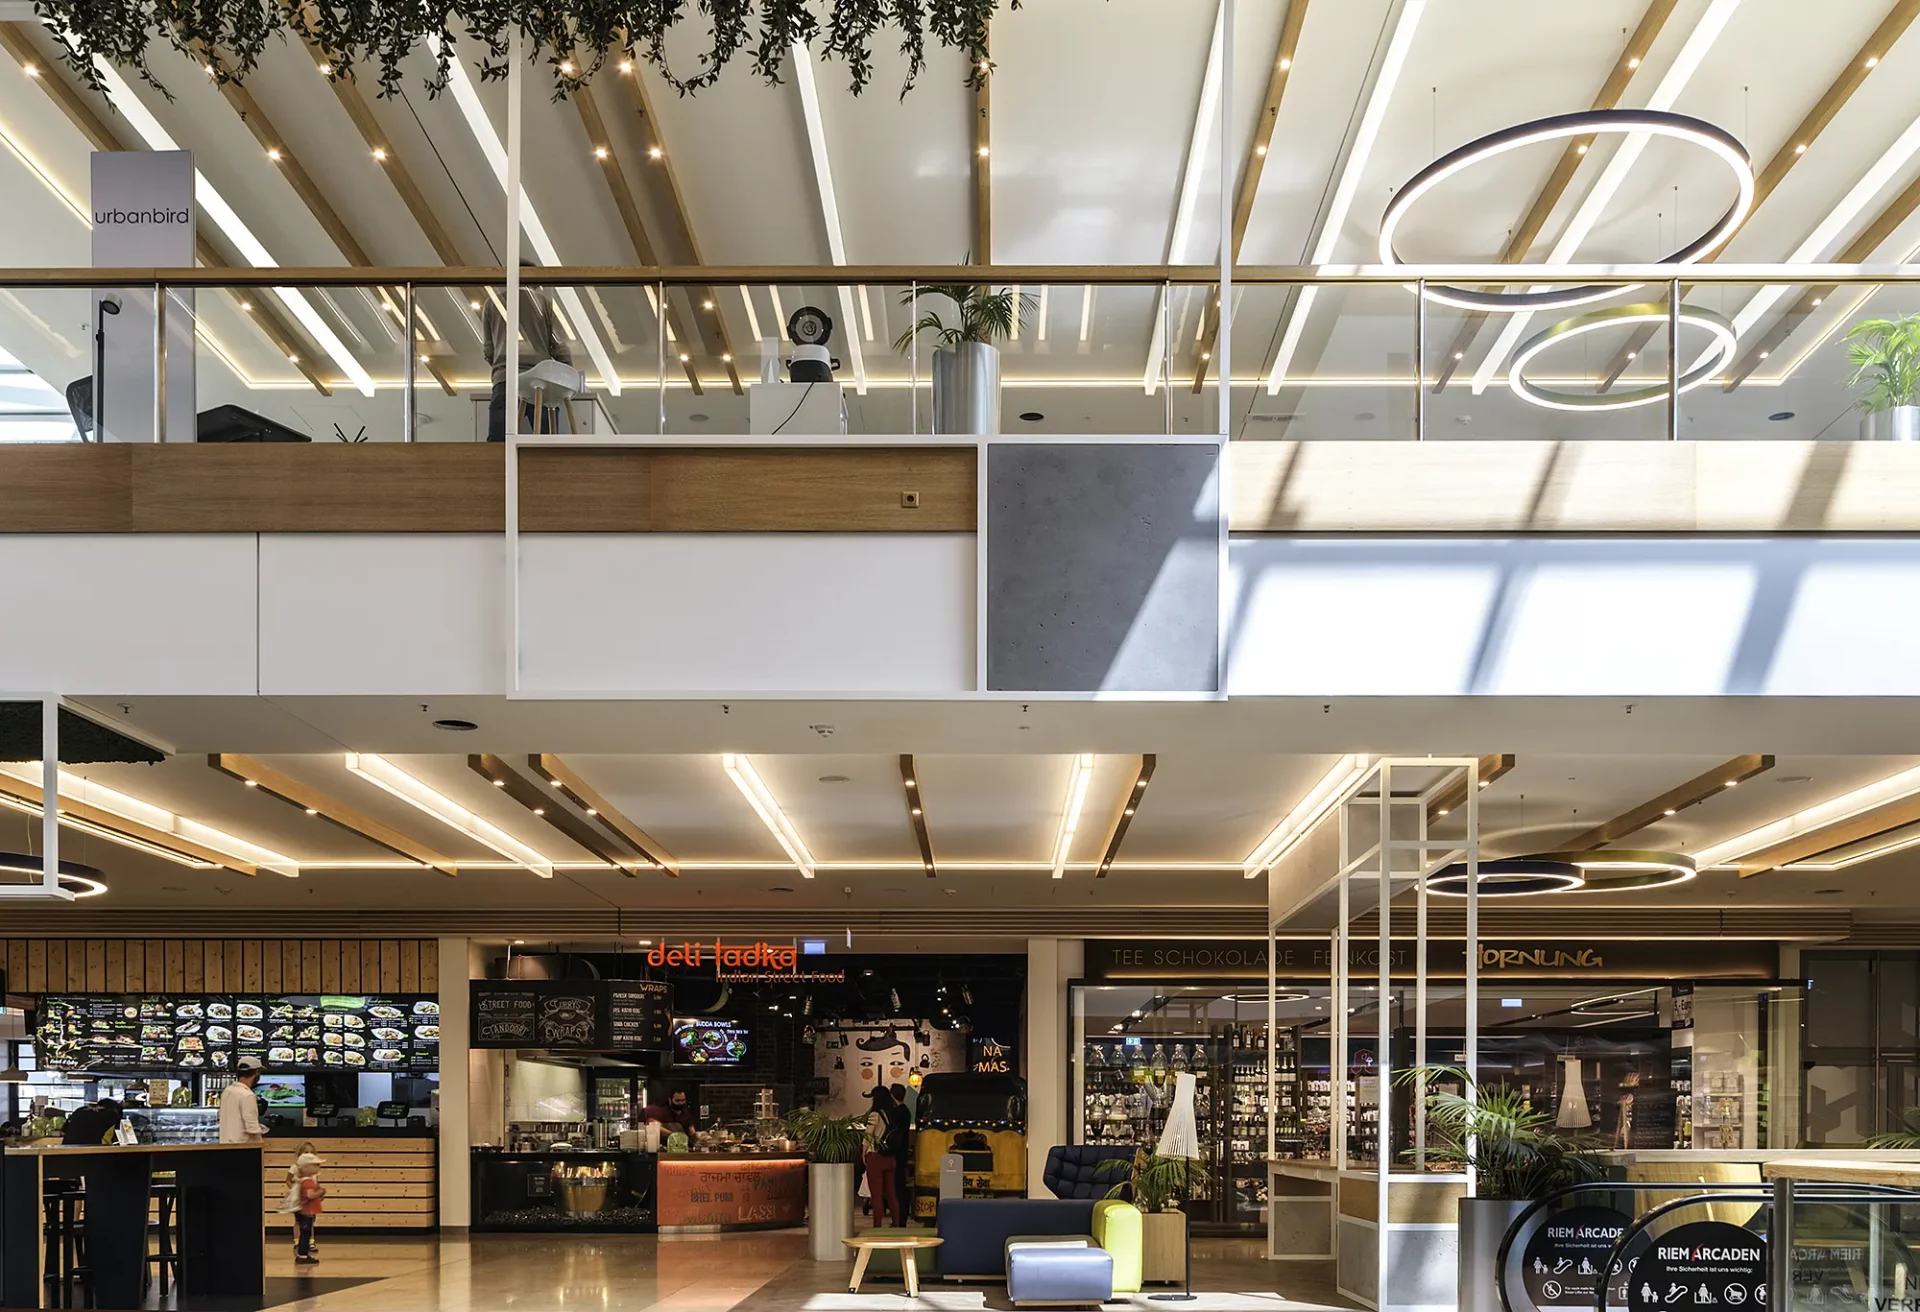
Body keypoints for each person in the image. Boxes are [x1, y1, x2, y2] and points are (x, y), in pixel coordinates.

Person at [483, 265, 572, 440]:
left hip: (506, 378)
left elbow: (488, 350)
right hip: (541, 379)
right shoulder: (544, 304)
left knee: (499, 443)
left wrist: (499, 366)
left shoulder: (492, 303)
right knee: (546, 442)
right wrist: (568, 374)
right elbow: (559, 345)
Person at [862, 1086, 908, 1229]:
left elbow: (867, 1137)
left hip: (876, 1156)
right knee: (891, 1194)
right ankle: (896, 1223)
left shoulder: (874, 1115)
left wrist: (863, 1153)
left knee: (876, 1195)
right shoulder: (892, 1114)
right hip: (890, 1157)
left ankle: (877, 1226)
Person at [289, 1150, 326, 1265]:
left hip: (302, 1211)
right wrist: (320, 1192)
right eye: (315, 1165)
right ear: (306, 1167)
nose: (318, 1167)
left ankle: (302, 1254)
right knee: (306, 1234)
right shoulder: (308, 1182)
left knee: (304, 1233)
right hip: (306, 1212)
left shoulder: (301, 1181)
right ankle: (303, 1255)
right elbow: (310, 1195)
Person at [219, 1056, 265, 1143]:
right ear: (256, 1072)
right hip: (242, 1147)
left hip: (225, 1144)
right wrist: (260, 1143)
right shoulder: (247, 1095)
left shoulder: (227, 1091)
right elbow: (252, 1128)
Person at [889, 1083, 914, 1225]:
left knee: (897, 1187)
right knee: (900, 1186)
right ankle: (900, 1218)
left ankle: (899, 1219)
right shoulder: (906, 1111)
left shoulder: (896, 1113)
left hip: (896, 1153)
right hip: (902, 1152)